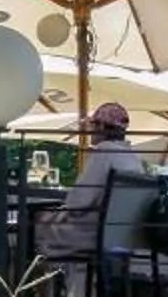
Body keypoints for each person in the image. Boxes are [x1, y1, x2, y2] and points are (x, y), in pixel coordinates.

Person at [36, 102, 156, 269]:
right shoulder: (133, 160)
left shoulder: (104, 152)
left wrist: (52, 213)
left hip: (92, 235)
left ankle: (37, 288)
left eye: (93, 124)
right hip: (120, 237)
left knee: (34, 224)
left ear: (101, 127)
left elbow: (78, 203)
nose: (91, 130)